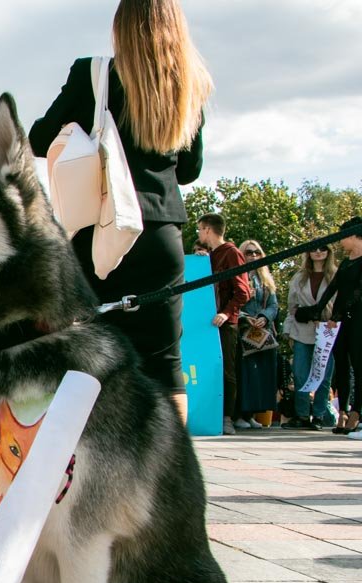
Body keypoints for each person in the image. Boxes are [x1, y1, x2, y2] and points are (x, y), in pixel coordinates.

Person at [29, 0, 211, 422]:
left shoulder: (94, 75)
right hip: (162, 232)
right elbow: (189, 169)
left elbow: (39, 139)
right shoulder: (190, 84)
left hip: (102, 234)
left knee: (87, 357)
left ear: (120, 28)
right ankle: (170, 478)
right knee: (166, 365)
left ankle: (88, 473)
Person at [295, 217, 362, 438]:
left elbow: (357, 293)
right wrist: (318, 309)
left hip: (357, 319)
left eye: (343, 237)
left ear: (354, 236)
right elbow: (333, 289)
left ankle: (356, 413)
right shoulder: (345, 263)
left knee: (358, 366)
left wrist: (340, 314)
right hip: (339, 322)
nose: (341, 242)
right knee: (341, 366)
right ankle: (342, 411)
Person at [196, 213, 250, 435]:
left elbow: (243, 291)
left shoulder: (231, 253)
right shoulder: (211, 255)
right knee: (208, 368)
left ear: (208, 229)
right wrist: (201, 262)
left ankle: (227, 416)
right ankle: (210, 414)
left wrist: (227, 313)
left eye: (200, 229)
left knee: (226, 369)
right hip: (207, 322)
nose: (198, 233)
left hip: (226, 323)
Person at [282, 244, 337, 430]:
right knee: (300, 373)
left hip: (327, 330)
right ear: (308, 253)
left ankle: (319, 415)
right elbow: (292, 306)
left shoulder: (334, 275)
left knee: (324, 374)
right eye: (314, 248)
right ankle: (302, 415)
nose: (318, 251)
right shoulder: (299, 277)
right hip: (302, 329)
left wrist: (325, 317)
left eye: (323, 248)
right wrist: (287, 331)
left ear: (329, 252)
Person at [233, 241, 278, 429]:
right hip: (242, 330)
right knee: (244, 374)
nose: (253, 256)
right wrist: (245, 317)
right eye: (249, 252)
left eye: (257, 252)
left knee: (260, 375)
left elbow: (274, 305)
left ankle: (251, 414)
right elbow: (230, 300)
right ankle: (239, 415)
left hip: (261, 332)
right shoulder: (237, 275)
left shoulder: (266, 279)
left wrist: (264, 317)